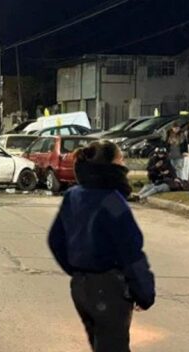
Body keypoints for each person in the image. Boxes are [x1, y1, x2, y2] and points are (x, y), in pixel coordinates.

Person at [48, 141, 155, 351]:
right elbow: (130, 250)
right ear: (110, 165)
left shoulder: (74, 195)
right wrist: (144, 292)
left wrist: (76, 269)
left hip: (81, 288)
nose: (124, 164)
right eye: (120, 159)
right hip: (108, 289)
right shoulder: (112, 200)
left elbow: (56, 240)